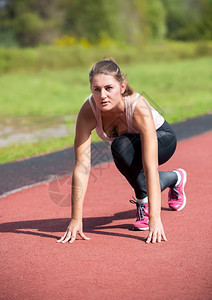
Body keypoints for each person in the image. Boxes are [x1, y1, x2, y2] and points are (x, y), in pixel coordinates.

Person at [57, 59, 187, 244]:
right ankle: (175, 178)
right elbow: (82, 167)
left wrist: (155, 220)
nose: (102, 95)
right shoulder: (88, 111)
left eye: (109, 88)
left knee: (124, 149)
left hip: (163, 138)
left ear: (122, 86)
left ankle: (144, 201)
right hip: (128, 146)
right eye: (96, 89)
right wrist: (76, 220)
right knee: (120, 148)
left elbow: (149, 167)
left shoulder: (137, 106)